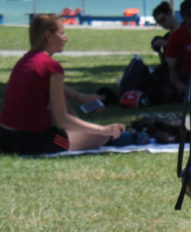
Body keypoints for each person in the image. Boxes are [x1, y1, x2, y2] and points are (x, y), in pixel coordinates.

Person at [0, 14, 124, 154]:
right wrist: (103, 130)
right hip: (32, 141)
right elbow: (61, 119)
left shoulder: (26, 60)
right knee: (101, 137)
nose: (66, 38)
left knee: (62, 102)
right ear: (48, 35)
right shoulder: (52, 67)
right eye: (62, 33)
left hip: (6, 137)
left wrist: (80, 97)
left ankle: (79, 130)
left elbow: (47, 85)